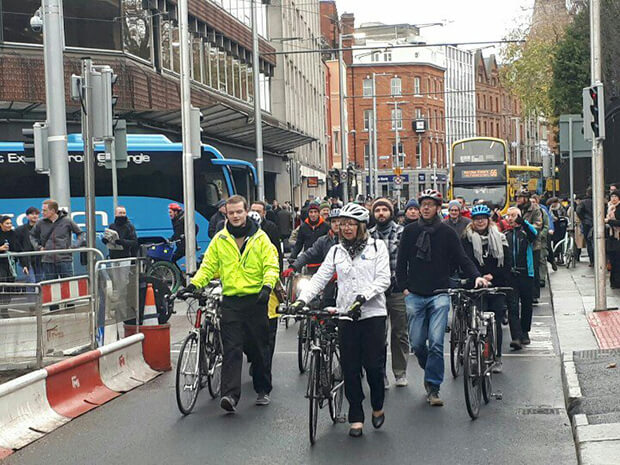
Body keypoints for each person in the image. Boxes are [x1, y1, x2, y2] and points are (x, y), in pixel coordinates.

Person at [291, 203, 391, 437]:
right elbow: (320, 278)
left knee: (374, 368)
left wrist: (364, 297)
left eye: (351, 224)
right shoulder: (337, 251)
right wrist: (302, 300)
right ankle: (356, 414)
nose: (346, 228)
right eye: (343, 224)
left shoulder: (378, 247)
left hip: (372, 314)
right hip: (346, 314)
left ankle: (377, 405)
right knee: (350, 367)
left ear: (361, 226)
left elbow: (384, 279)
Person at [181, 195, 279, 412]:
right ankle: (230, 395)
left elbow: (271, 266)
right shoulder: (220, 239)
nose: (235, 216)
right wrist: (194, 284)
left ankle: (263, 388)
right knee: (232, 349)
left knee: (258, 348)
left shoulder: (261, 239)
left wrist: (267, 287)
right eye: (231, 212)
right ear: (226, 213)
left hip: (256, 300)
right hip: (232, 301)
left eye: (239, 212)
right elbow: (208, 266)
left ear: (245, 212)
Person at [396, 189, 488, 406]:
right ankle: (430, 369)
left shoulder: (447, 233)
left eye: (430, 204)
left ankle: (433, 387)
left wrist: (477, 277)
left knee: (436, 342)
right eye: (423, 204)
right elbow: (401, 263)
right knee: (418, 344)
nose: (426, 208)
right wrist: (404, 287)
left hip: (440, 294)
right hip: (415, 294)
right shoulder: (409, 232)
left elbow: (462, 258)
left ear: (439, 208)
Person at [461, 205, 512, 372]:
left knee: (495, 321)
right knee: (475, 319)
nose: (480, 221)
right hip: (475, 285)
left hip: (496, 285)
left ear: (488, 220)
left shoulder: (499, 237)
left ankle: (496, 357)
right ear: (472, 221)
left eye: (483, 218)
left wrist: (492, 276)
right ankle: (475, 351)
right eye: (476, 219)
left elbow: (506, 263)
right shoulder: (466, 239)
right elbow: (465, 261)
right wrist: (478, 277)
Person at [369, 198, 410, 388]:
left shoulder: (402, 233)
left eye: (385, 209)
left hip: (397, 290)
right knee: (377, 335)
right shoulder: (368, 236)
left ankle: (400, 372)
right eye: (378, 210)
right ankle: (380, 374)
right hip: (375, 292)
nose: (381, 213)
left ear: (391, 213)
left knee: (400, 332)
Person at [504, 207, 538, 348]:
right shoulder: (505, 234)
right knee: (512, 306)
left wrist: (523, 222)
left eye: (514, 215)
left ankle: (525, 332)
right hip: (511, 275)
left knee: (526, 304)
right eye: (509, 216)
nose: (511, 218)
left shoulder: (525, 233)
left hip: (526, 273)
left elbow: (534, 234)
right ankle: (516, 336)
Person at [31, 199, 84, 280]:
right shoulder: (40, 222)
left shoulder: (67, 221)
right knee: (50, 286)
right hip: (47, 260)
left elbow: (80, 233)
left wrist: (74, 246)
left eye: (44, 210)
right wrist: (38, 247)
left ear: (52, 211)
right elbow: (32, 235)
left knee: (68, 284)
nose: (42, 212)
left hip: (65, 259)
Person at [515, 188, 543, 301]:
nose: (517, 200)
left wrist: (525, 226)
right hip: (519, 243)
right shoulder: (516, 209)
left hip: (533, 243)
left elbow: (538, 224)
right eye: (516, 197)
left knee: (533, 269)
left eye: (520, 197)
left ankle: (534, 294)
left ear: (525, 199)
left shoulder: (535, 209)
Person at [289, 201, 330, 273]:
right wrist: (293, 256)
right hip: (308, 261)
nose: (313, 214)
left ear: (318, 213)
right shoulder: (303, 227)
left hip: (322, 262)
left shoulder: (325, 226)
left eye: (315, 212)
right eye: (311, 212)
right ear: (308, 213)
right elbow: (299, 243)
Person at [0, 216, 28, 317]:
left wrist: (24, 265)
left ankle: (5, 308)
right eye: (7, 223)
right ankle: (2, 308)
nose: (9, 225)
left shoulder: (13, 234)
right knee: (2, 283)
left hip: (10, 265)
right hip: (1, 264)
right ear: (1, 224)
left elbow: (19, 249)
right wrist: (0, 248)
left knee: (10, 286)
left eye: (10, 223)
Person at [251, 201, 283, 271]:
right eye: (253, 211)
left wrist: (279, 270)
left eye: (258, 211)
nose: (255, 214)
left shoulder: (271, 227)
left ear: (264, 213)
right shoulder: (244, 228)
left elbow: (277, 249)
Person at [14, 207, 43, 282]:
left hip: (41, 259)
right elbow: (18, 247)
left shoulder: (43, 229)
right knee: (31, 282)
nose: (35, 216)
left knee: (41, 282)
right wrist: (24, 264)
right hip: (27, 260)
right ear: (27, 216)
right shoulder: (19, 230)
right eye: (32, 214)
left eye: (36, 214)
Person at [605, 190, 620, 288]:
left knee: (617, 261)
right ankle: (613, 282)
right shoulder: (609, 208)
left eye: (615, 196)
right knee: (613, 261)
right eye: (612, 196)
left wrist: (609, 221)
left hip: (618, 237)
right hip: (611, 238)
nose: (613, 198)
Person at [576, 187, 594, 267]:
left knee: (589, 242)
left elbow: (578, 211)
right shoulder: (599, 201)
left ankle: (592, 260)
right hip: (597, 222)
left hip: (587, 223)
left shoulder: (583, 202)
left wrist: (583, 219)